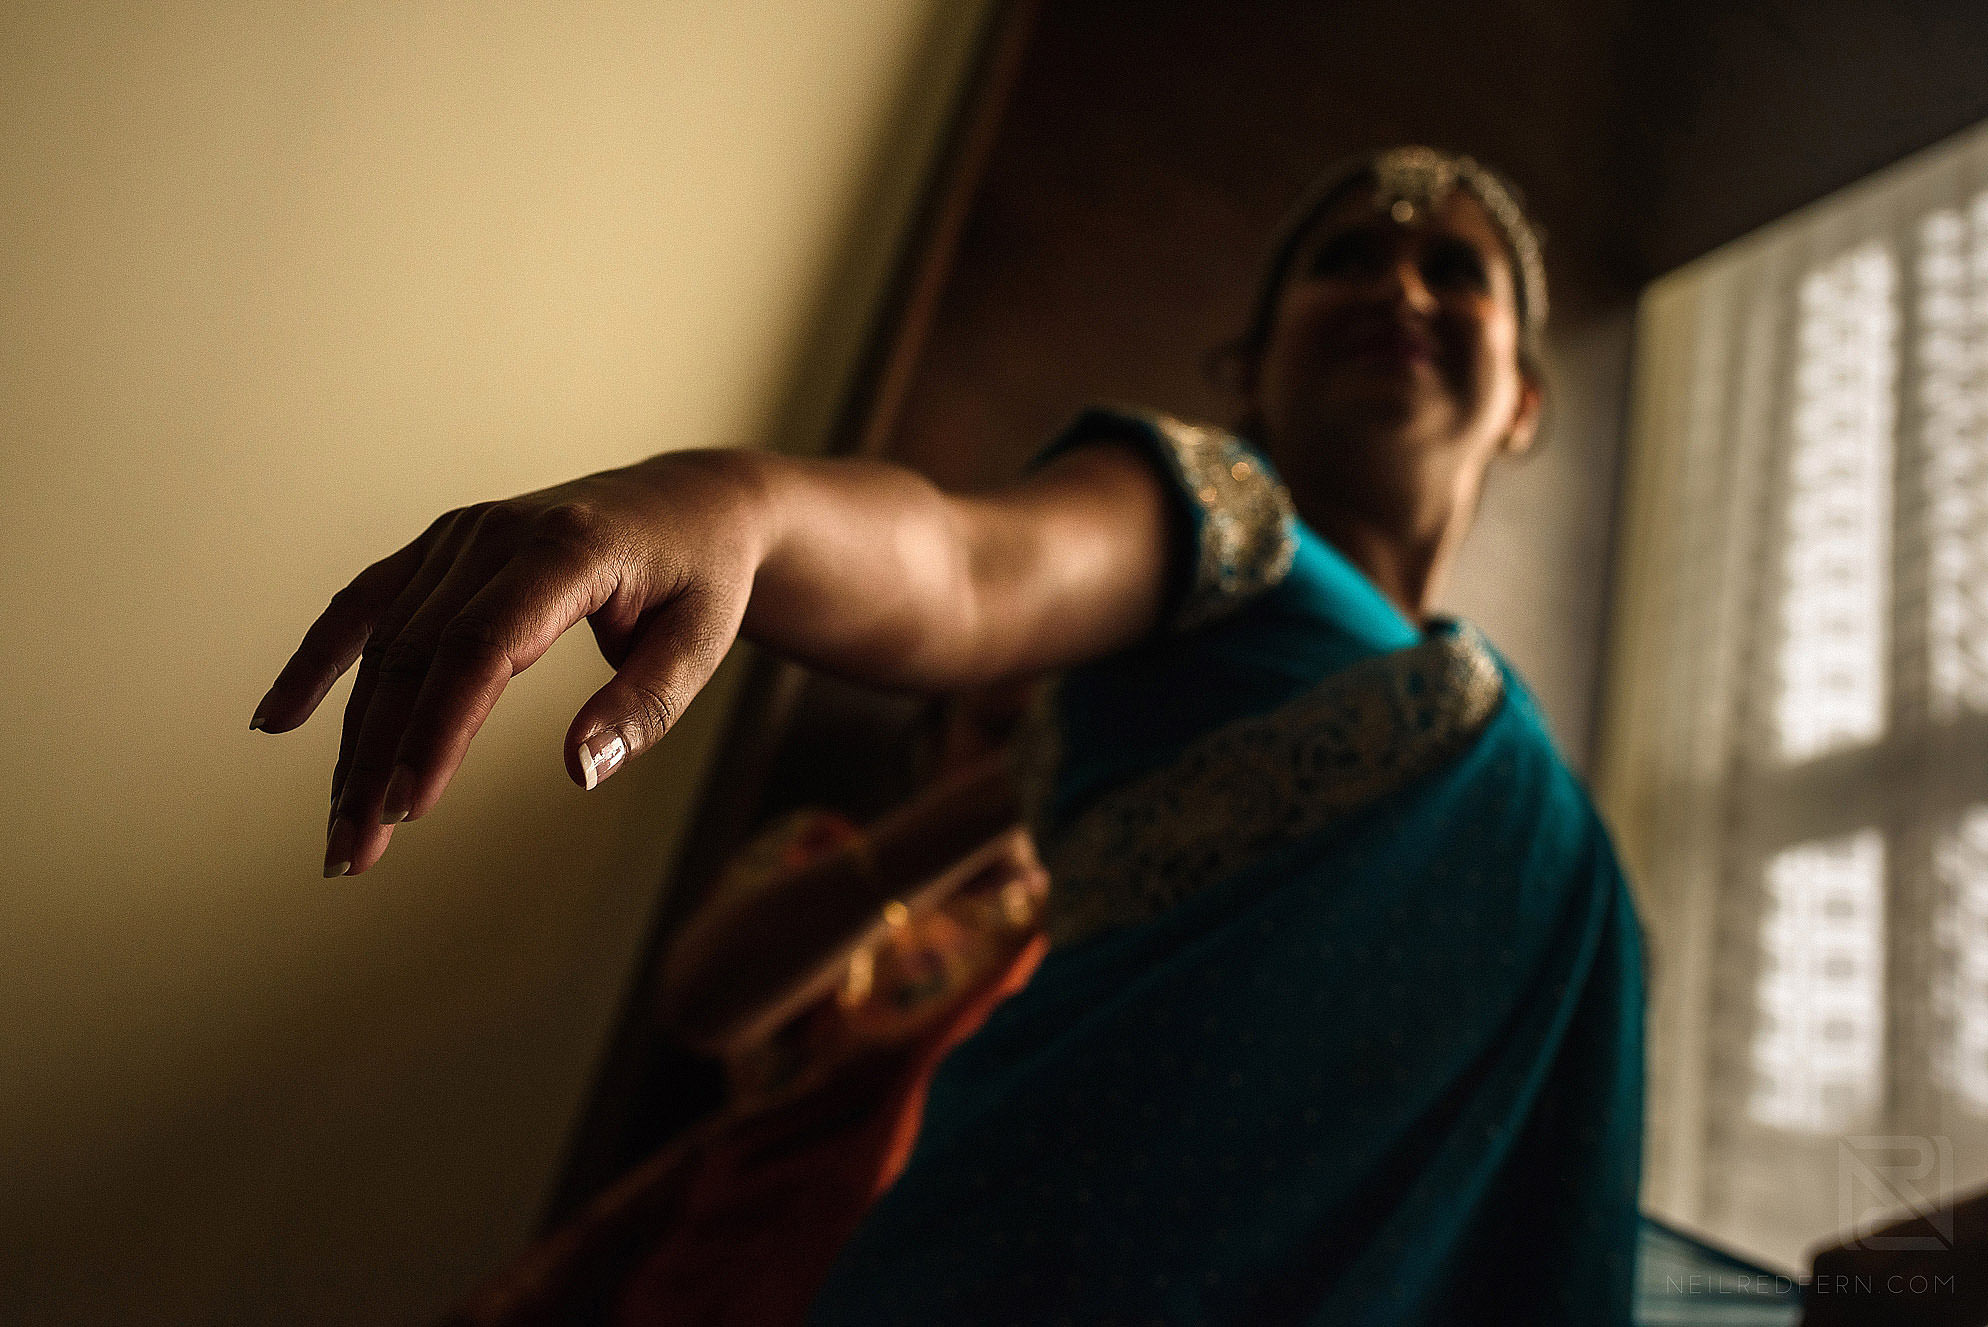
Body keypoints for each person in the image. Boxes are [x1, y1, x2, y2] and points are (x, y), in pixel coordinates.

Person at [253, 146, 1648, 1323]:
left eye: (1456, 272)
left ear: (1526, 398)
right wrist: (733, 507)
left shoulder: (1541, 809)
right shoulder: (1226, 519)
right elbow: (969, 568)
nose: (1402, 286)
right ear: (1250, 365)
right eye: (1348, 259)